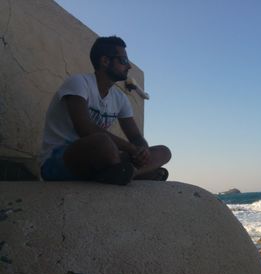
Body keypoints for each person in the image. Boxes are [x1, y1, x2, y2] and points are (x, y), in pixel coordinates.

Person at [39, 36, 170, 185]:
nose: (129, 67)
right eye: (124, 61)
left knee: (164, 152)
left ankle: (125, 172)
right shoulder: (78, 83)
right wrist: (132, 150)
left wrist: (143, 152)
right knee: (102, 142)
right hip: (60, 159)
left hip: (103, 159)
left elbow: (136, 136)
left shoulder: (120, 98)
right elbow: (85, 129)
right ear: (105, 61)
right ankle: (133, 173)